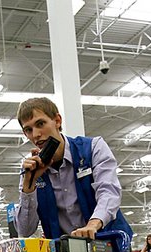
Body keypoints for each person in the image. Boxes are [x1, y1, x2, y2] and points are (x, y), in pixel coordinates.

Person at [13, 97, 132, 240]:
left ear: (57, 121)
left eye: (40, 124)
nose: (36, 134)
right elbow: (25, 230)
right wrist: (29, 187)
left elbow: (109, 192)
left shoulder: (93, 148)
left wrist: (93, 225)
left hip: (108, 246)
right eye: (28, 130)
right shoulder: (30, 170)